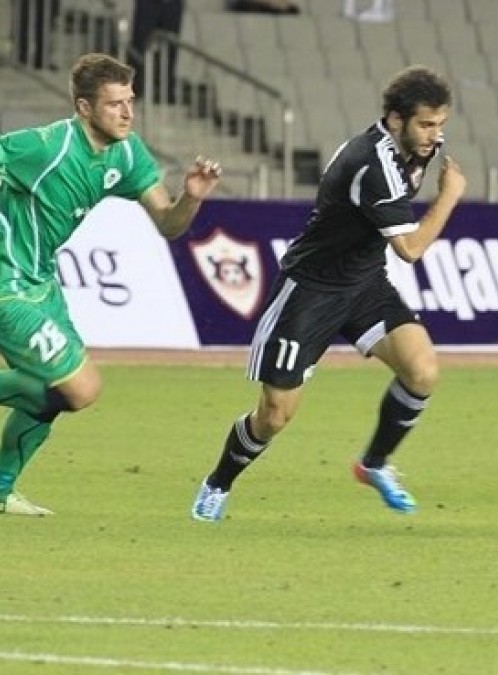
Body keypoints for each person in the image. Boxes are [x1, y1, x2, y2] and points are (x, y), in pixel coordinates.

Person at [0, 53, 223, 516]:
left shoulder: (127, 153)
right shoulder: (48, 147)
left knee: (54, 392)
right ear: (84, 108)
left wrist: (191, 197)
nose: (128, 113)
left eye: (130, 101)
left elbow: (168, 224)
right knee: (81, 388)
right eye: (115, 104)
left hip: (40, 281)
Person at [189, 65, 465, 522]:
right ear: (396, 119)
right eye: (426, 124)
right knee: (274, 416)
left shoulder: (417, 146)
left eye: (441, 124)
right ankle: (218, 483)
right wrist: (451, 195)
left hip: (364, 283)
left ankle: (373, 464)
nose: (436, 135)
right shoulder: (371, 163)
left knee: (422, 371)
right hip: (311, 290)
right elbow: (411, 249)